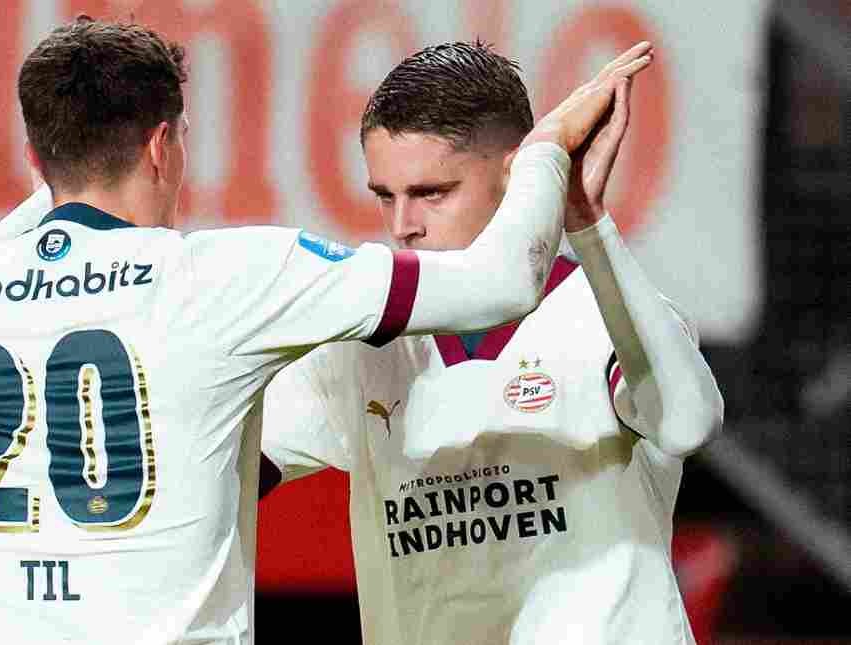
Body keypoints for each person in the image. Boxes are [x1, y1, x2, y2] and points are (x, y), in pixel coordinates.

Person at [0, 16, 653, 645]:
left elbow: (36, 227)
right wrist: (548, 150)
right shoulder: (224, 278)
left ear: (38, 160)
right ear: (163, 146)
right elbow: (501, 281)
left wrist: (64, 170)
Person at [260, 41, 723, 645]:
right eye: (384, 195)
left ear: (515, 177)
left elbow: (688, 423)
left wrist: (586, 220)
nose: (403, 225)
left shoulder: (601, 310)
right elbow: (227, 474)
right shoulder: (364, 343)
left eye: (432, 193)